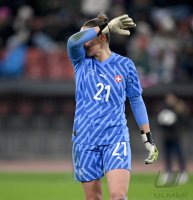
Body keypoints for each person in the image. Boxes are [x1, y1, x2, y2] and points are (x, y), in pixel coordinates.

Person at [67, 13, 158, 200]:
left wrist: (147, 137)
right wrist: (103, 27)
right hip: (85, 138)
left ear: (101, 38)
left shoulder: (125, 65)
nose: (84, 43)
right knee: (94, 198)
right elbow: (72, 41)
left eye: (88, 38)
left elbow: (136, 100)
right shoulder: (80, 61)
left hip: (115, 137)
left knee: (118, 195)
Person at [157, 92, 188, 185]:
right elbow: (160, 122)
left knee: (179, 155)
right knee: (167, 156)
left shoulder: (179, 108)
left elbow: (184, 122)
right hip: (166, 137)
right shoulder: (163, 109)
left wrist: (175, 119)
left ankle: (182, 173)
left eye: (171, 98)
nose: (170, 100)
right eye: (168, 98)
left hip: (175, 136)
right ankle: (168, 173)